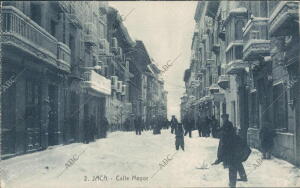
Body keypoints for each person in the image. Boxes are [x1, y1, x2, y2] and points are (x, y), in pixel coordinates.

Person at [212, 114, 250, 188]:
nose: (223, 119)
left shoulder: (228, 126)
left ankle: (232, 184)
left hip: (231, 149)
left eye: (224, 118)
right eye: (222, 118)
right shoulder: (226, 125)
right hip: (233, 149)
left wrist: (221, 156)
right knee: (237, 163)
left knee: (232, 166)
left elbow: (221, 133)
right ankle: (243, 177)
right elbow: (220, 131)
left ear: (226, 118)